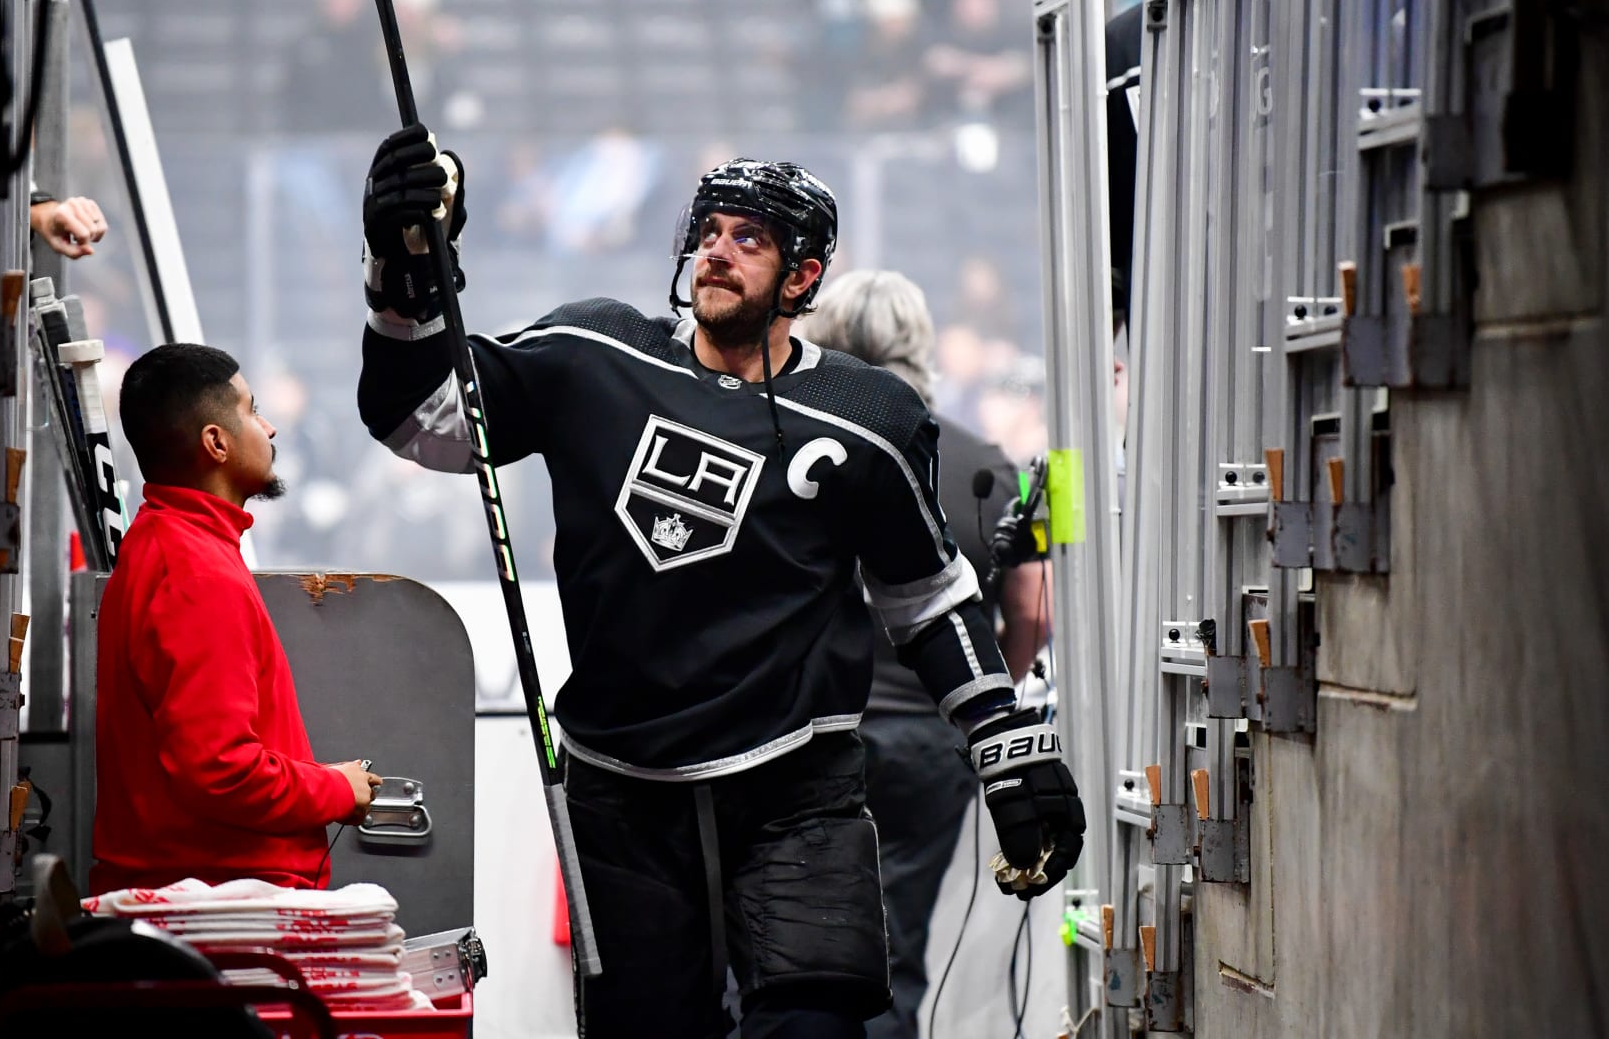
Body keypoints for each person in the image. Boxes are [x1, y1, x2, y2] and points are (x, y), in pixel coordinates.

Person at [352, 125, 1085, 1037]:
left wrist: (1004, 744)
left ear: (803, 278)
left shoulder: (869, 416)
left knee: (814, 1029)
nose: (718, 252)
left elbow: (927, 600)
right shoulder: (595, 350)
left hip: (796, 793)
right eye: (710, 231)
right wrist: (402, 268)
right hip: (621, 787)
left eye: (750, 238)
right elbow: (422, 420)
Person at [797, 269, 1049, 1039]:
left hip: (808, 744)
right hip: (931, 745)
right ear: (922, 346)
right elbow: (1035, 609)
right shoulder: (986, 463)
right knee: (895, 959)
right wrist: (975, 697)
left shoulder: (796, 453)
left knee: (787, 960)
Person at [90, 342, 380, 894]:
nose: (268, 428)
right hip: (224, 910)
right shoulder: (197, 574)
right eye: (251, 410)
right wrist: (335, 789)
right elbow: (219, 770)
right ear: (215, 442)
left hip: (208, 898)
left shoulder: (166, 541)